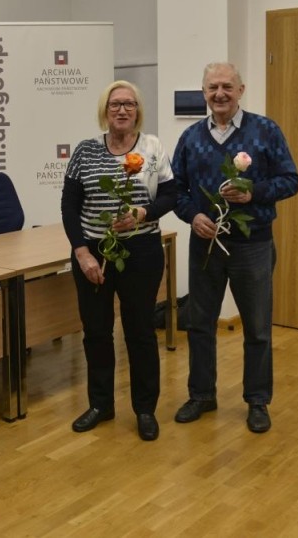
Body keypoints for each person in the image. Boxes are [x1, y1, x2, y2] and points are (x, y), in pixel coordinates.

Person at [171, 62, 298, 434]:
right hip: (206, 245)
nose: (220, 94)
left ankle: (257, 401)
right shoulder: (191, 137)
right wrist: (192, 216)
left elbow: (291, 180)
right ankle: (201, 395)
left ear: (241, 90)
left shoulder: (266, 130)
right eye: (213, 87)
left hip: (253, 246)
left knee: (257, 328)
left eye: (227, 86)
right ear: (204, 92)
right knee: (200, 325)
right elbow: (175, 190)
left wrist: (253, 192)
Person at [61, 80, 177, 441]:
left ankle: (145, 409)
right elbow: (69, 205)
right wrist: (82, 252)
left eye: (129, 104)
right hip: (93, 253)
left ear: (137, 110)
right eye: (115, 104)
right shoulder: (85, 151)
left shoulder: (152, 148)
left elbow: (171, 195)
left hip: (140, 252)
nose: (122, 110)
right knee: (96, 332)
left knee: (140, 331)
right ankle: (101, 405)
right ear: (105, 110)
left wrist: (143, 213)